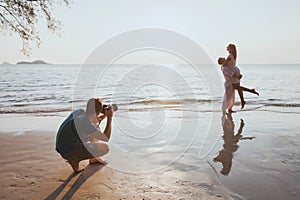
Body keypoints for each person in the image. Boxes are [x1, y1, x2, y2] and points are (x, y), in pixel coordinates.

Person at [56, 98, 113, 173]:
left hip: (62, 147)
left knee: (96, 127)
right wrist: (110, 118)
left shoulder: (79, 112)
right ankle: (74, 159)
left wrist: (102, 116)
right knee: (105, 148)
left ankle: (92, 158)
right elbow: (106, 138)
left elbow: (89, 123)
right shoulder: (84, 122)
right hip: (68, 151)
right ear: (98, 112)